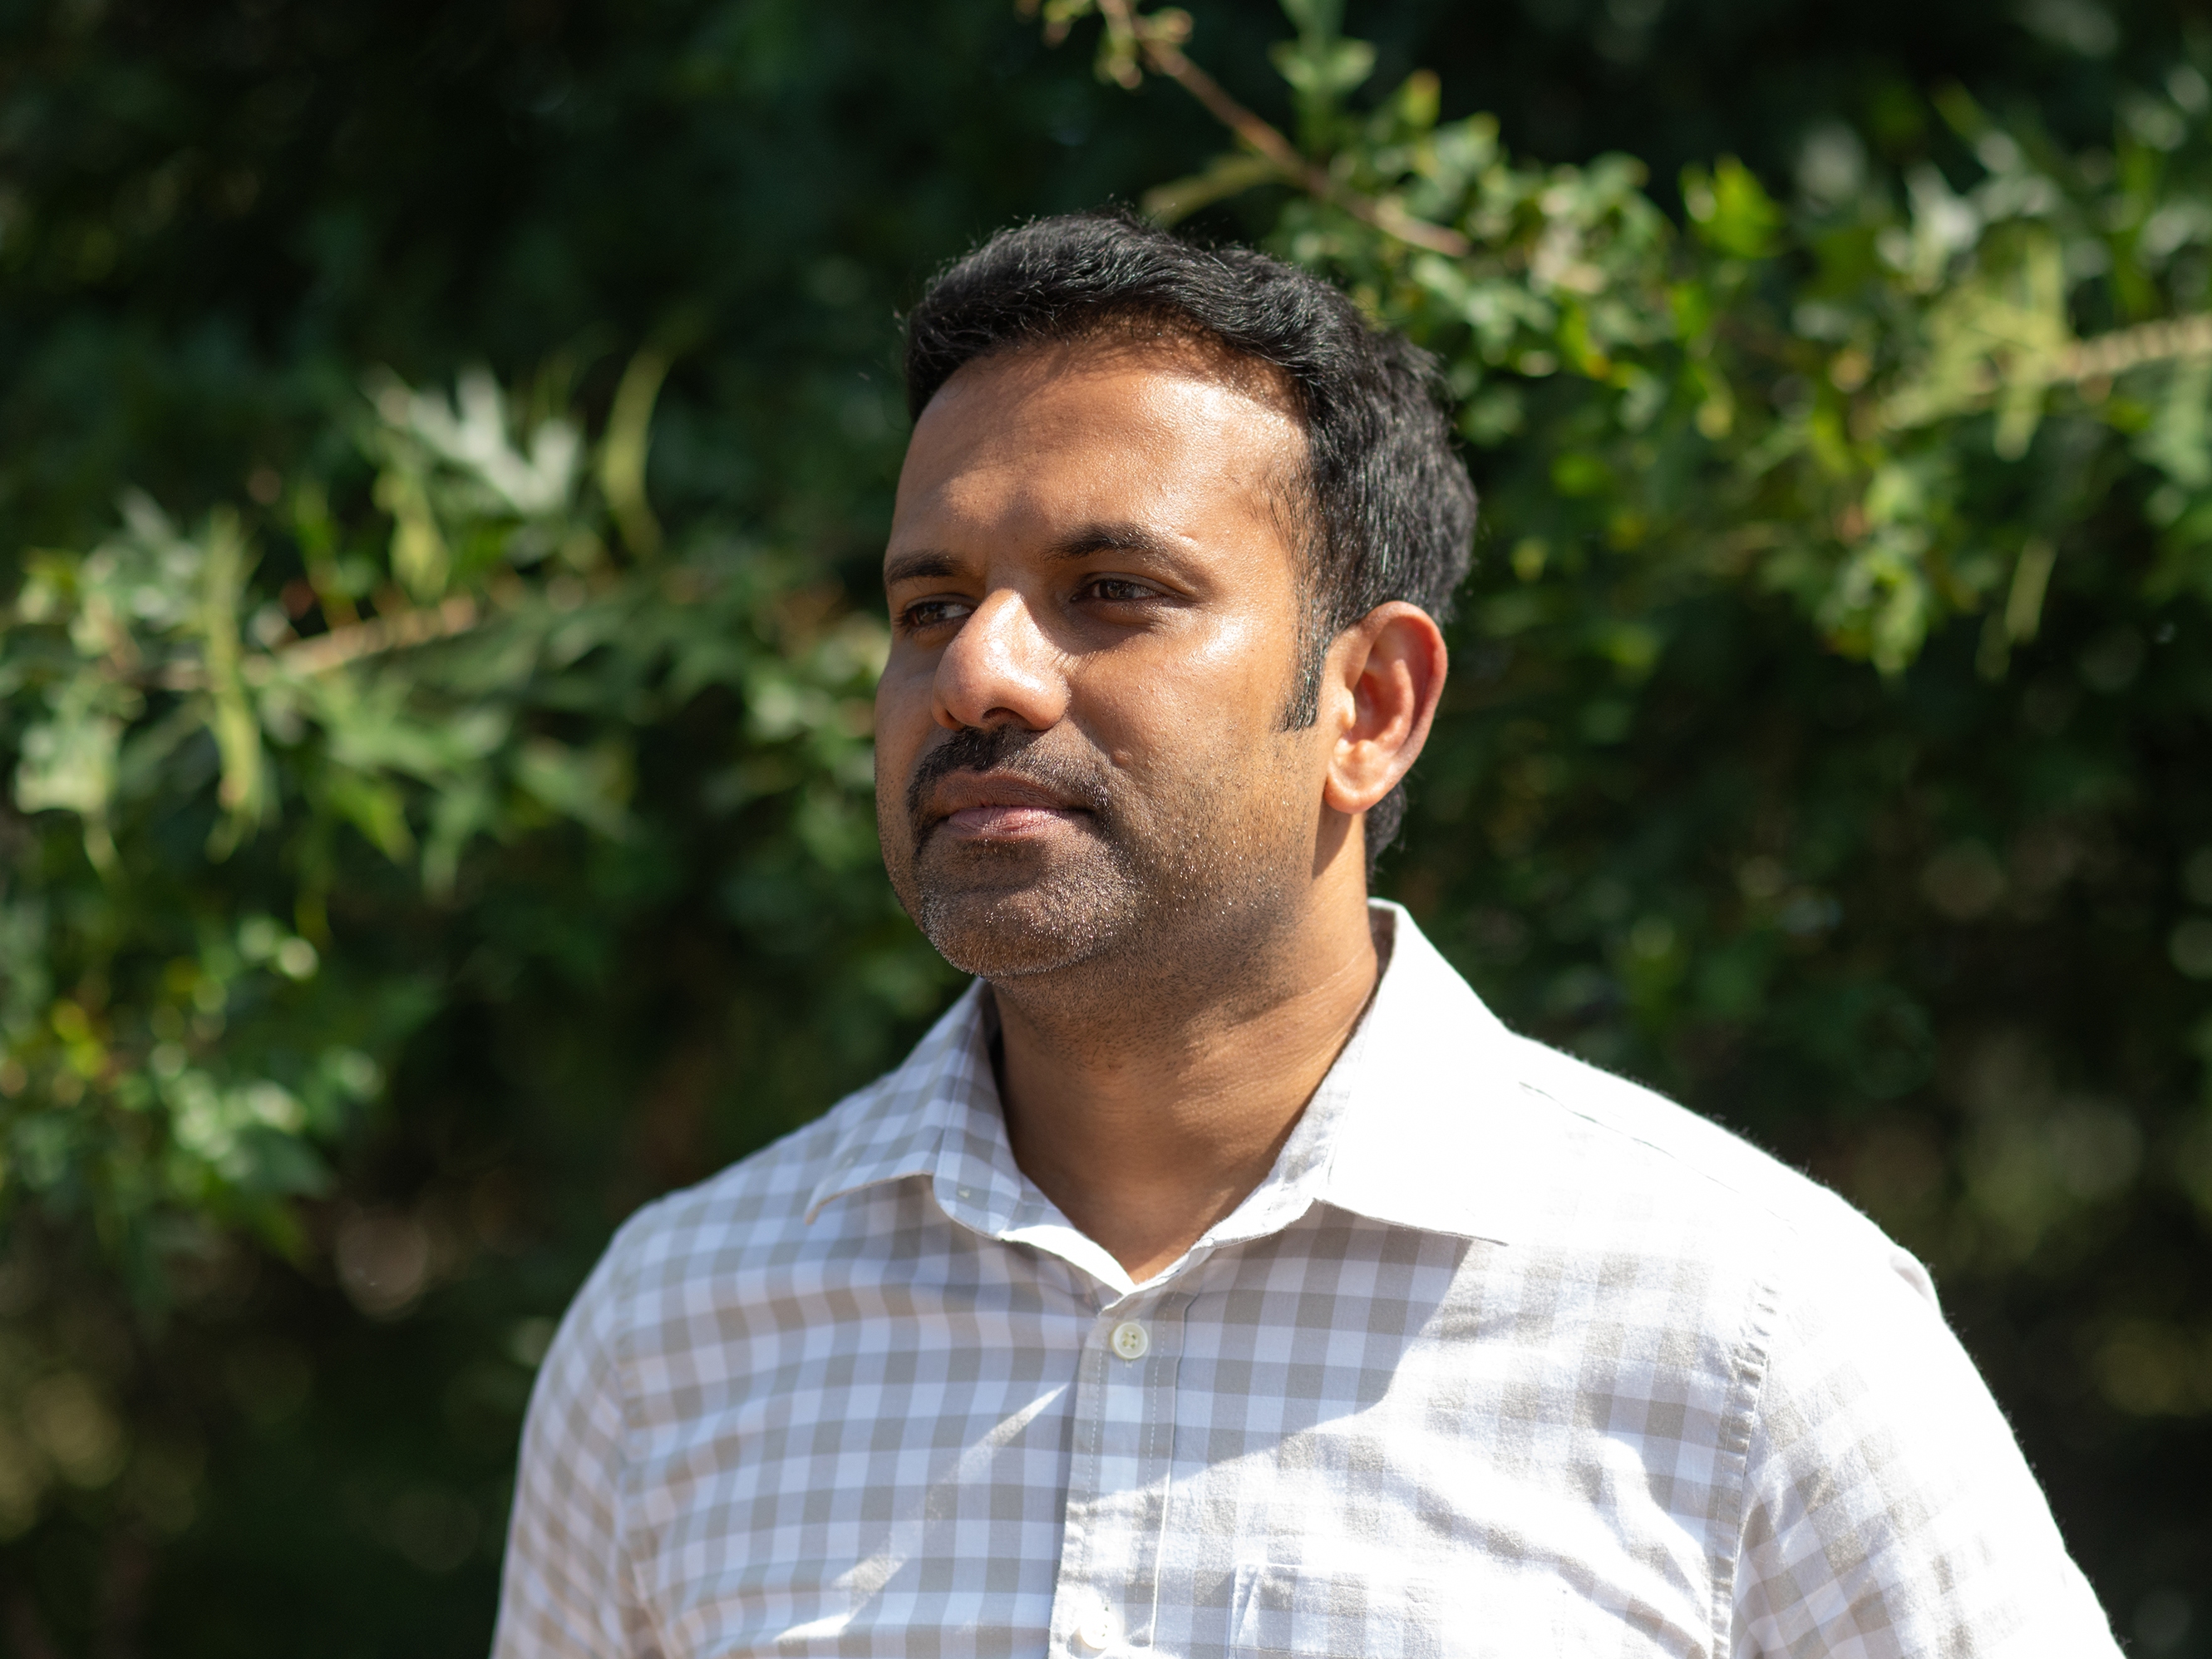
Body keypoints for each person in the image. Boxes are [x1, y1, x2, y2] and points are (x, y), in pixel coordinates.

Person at [492, 212, 2119, 1659]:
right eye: (928, 604)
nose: (979, 671)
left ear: (1370, 703)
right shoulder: (678, 1326)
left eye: (1110, 588)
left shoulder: (1748, 1321)